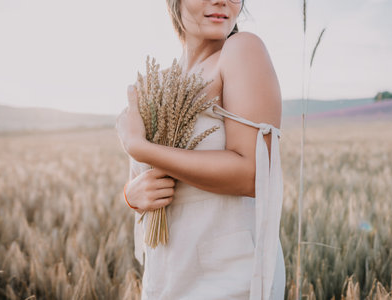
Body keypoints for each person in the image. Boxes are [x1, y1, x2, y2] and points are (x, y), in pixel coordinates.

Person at [115, 0, 285, 299]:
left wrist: (141, 148)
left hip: (228, 275)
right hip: (166, 271)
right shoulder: (159, 82)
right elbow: (143, 180)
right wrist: (131, 195)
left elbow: (254, 174)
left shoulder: (241, 50)